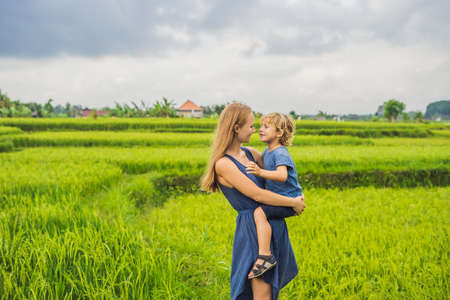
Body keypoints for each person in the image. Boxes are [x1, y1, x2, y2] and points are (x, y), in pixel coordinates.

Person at [201, 103, 306, 300]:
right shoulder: (224, 164)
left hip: (270, 224)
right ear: (235, 128)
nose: (255, 130)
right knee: (261, 294)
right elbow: (258, 195)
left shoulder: (250, 153)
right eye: (250, 125)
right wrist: (293, 202)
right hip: (252, 231)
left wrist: (295, 193)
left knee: (268, 292)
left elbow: (278, 175)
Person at [244, 113, 303, 280]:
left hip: (288, 200)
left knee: (259, 213)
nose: (260, 129)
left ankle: (265, 255)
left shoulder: (280, 153)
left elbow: (282, 175)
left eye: (266, 127)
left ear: (279, 133)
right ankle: (265, 253)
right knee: (262, 213)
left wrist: (260, 172)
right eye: (260, 126)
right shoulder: (267, 151)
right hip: (283, 198)